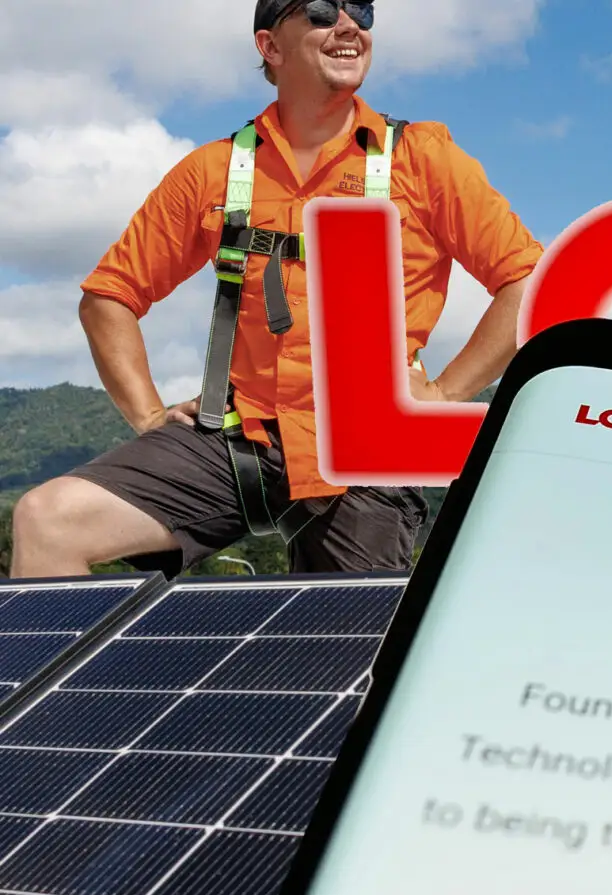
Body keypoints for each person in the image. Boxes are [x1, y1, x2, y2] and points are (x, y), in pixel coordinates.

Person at [9, 0, 543, 579]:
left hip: (365, 447)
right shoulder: (214, 170)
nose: (348, 26)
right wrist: (147, 413)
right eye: (319, 11)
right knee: (47, 520)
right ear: (270, 46)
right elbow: (108, 297)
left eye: (361, 11)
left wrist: (443, 395)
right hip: (239, 436)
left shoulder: (422, 158)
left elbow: (527, 282)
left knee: (341, 649)